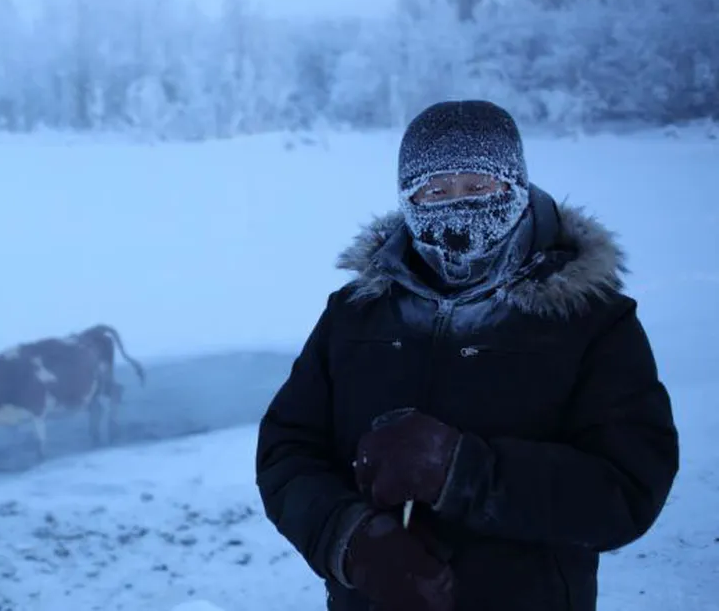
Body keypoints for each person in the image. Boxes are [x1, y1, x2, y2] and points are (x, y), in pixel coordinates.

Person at [254, 99, 679, 611]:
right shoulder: (355, 315)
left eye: (479, 186)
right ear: (408, 199)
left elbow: (627, 490)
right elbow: (286, 451)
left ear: (515, 188)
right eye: (435, 190)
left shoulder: (590, 320)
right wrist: (353, 540)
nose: (459, 205)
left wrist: (462, 471)